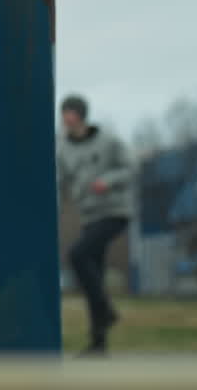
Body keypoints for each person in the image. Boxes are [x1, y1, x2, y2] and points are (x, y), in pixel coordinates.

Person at [56, 94, 134, 356]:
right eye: (63, 111)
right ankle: (99, 344)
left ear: (80, 114)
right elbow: (60, 183)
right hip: (89, 215)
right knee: (95, 275)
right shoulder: (63, 149)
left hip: (114, 212)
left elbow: (130, 167)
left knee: (77, 255)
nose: (66, 116)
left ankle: (106, 310)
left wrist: (108, 181)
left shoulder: (108, 141)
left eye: (70, 111)